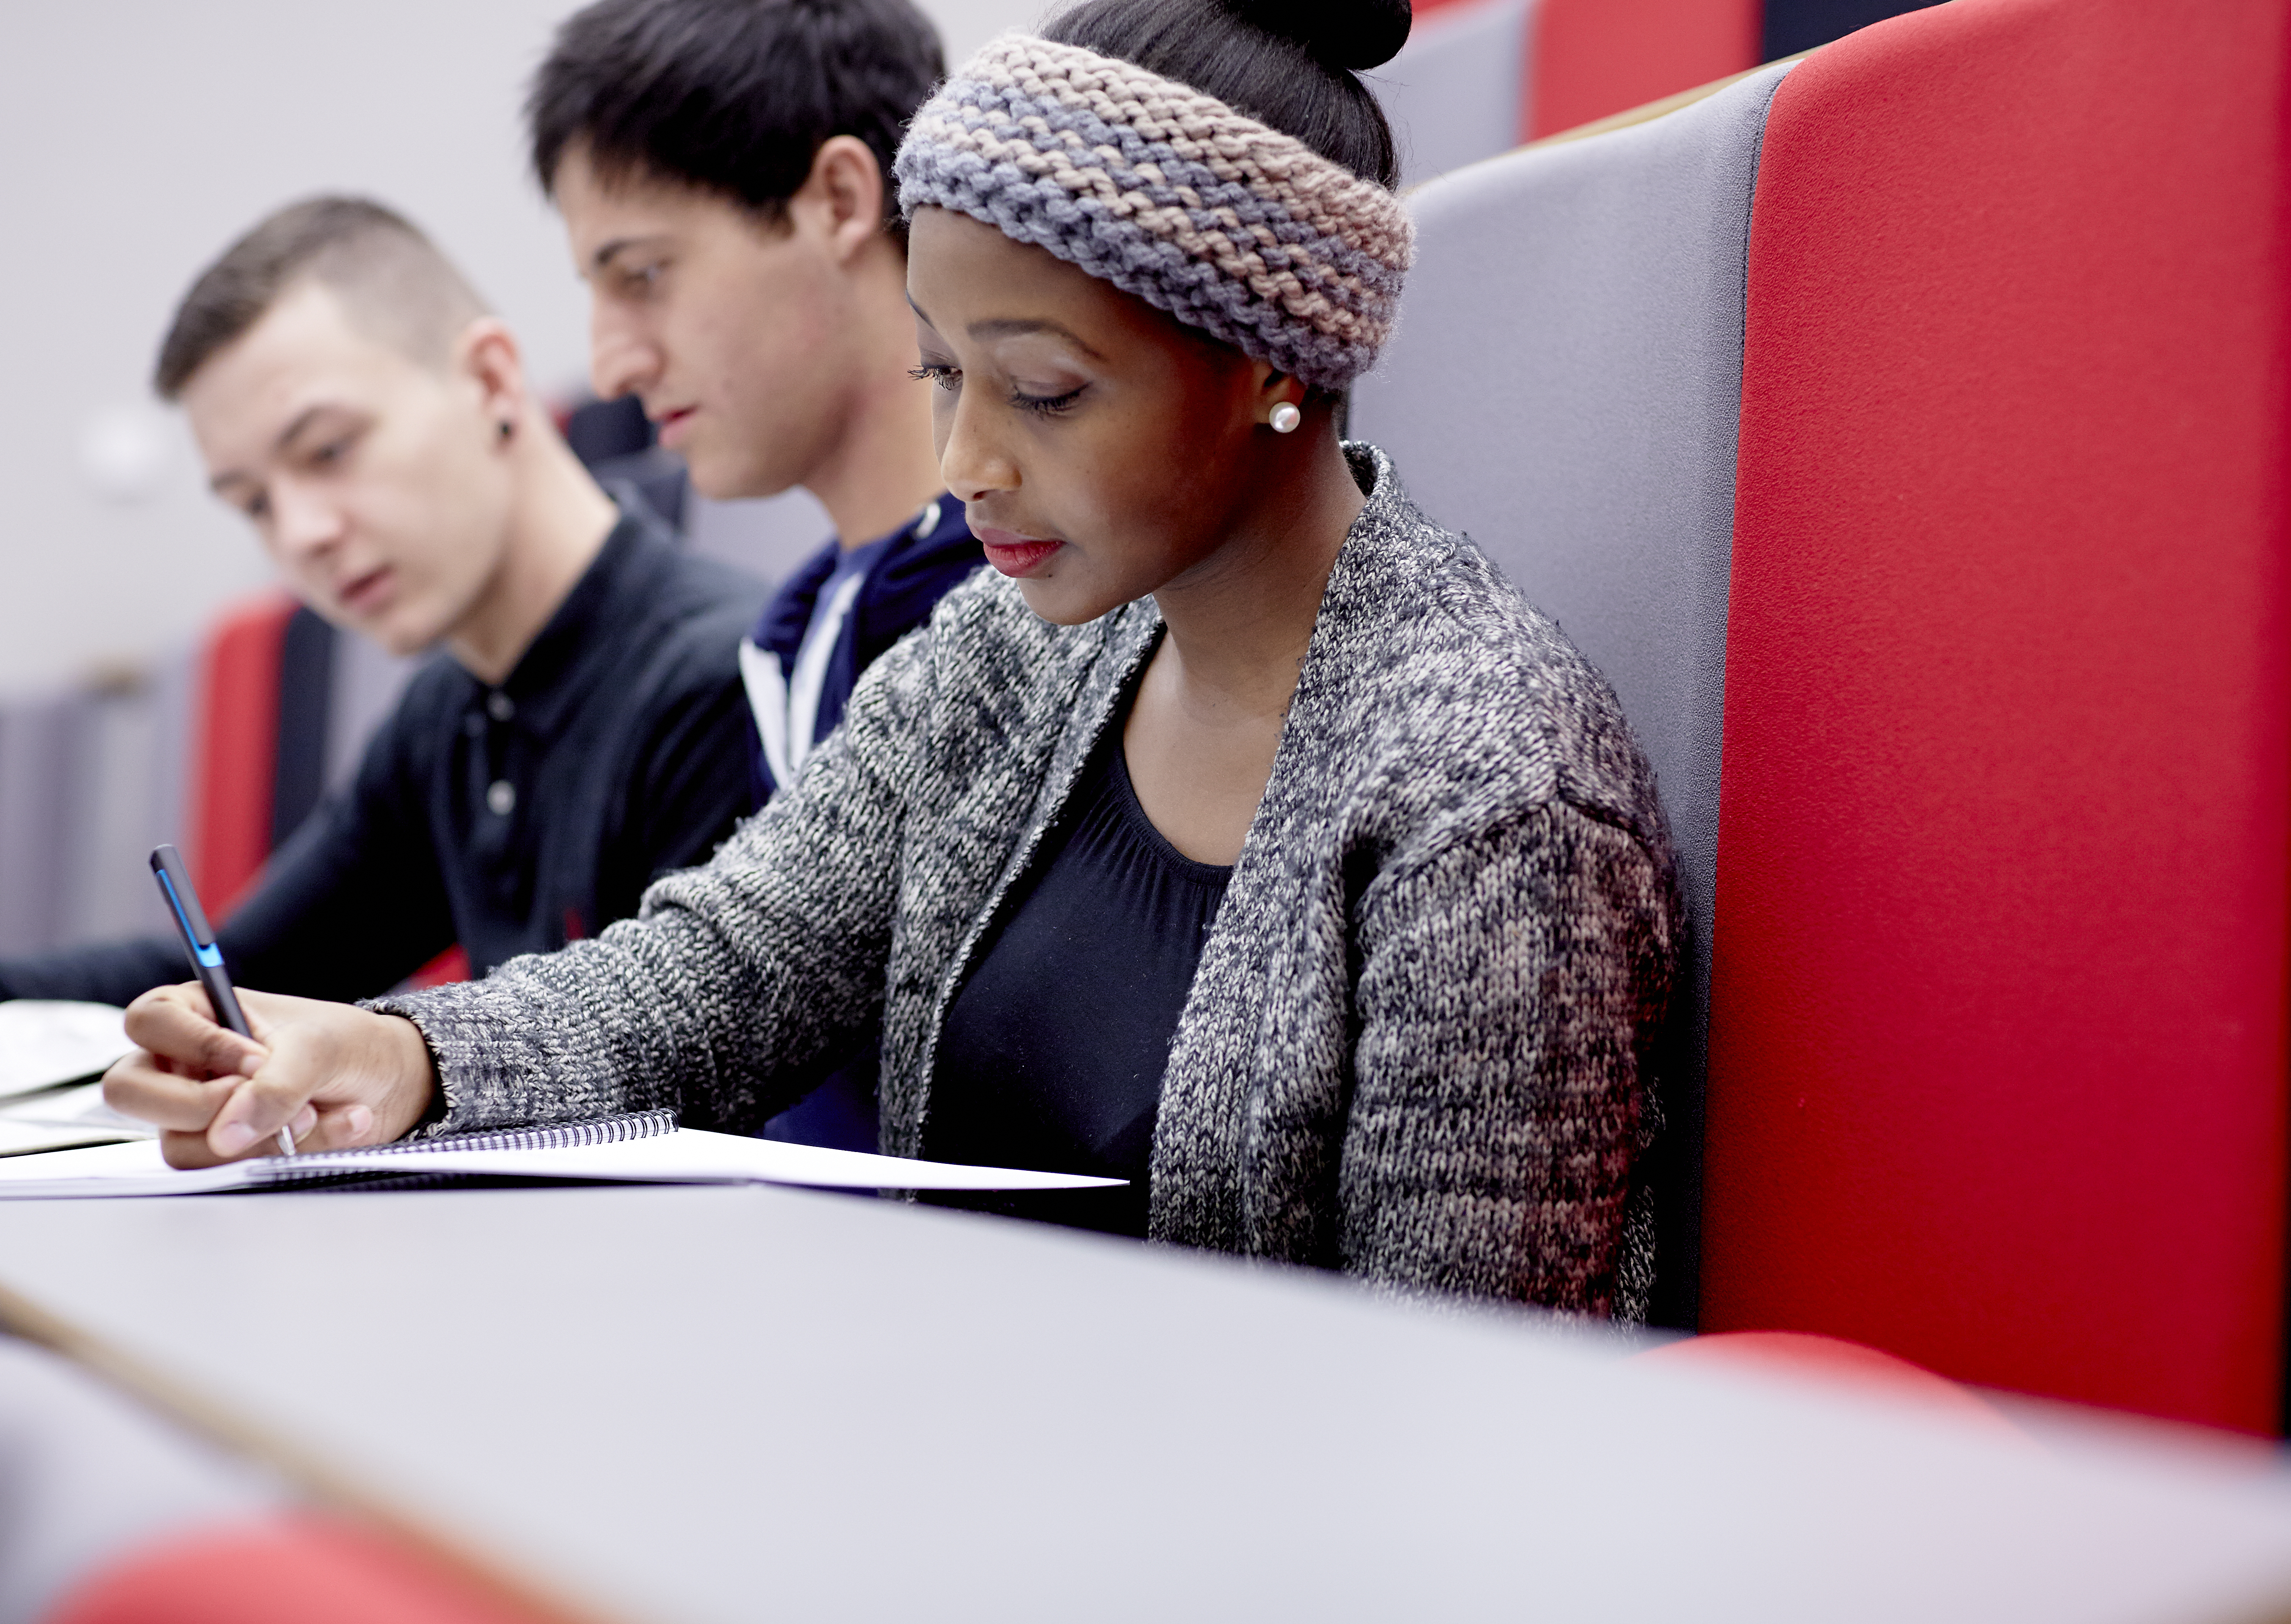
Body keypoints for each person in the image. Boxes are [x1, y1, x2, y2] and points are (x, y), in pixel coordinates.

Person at [105, 0, 1686, 1320]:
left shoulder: (1488, 795)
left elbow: (1463, 1410)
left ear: (1273, 367)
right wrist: (393, 1056)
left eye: (1044, 392)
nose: (970, 460)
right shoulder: (1009, 648)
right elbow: (729, 969)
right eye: (942, 372)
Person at [0, 198, 765, 1007]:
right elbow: (243, 979)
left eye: (329, 450)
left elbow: (675, 1079)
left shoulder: (715, 685)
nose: (301, 533)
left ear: (491, 380)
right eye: (253, 502)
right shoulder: (452, 713)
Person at [527, 0, 990, 1147]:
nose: (611, 361)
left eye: (642, 275)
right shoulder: (799, 630)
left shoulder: (1034, 601)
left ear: (837, 200)